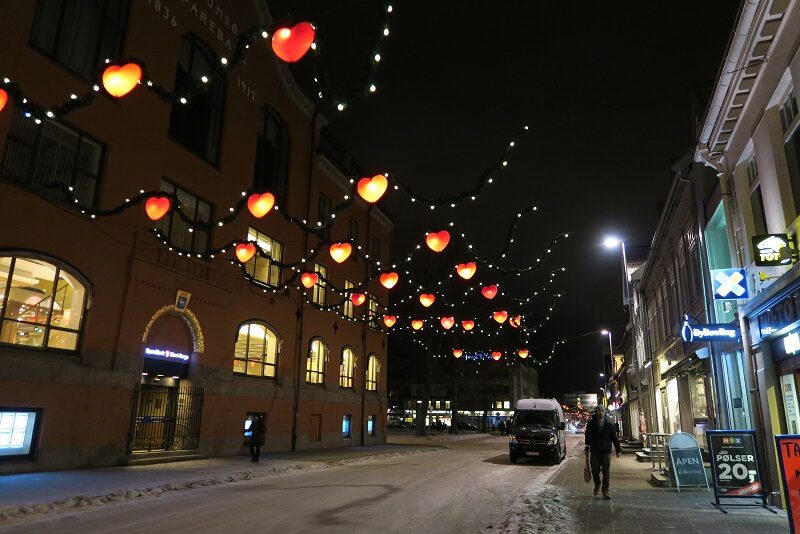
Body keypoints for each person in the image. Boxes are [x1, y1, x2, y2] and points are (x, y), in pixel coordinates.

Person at [584, 405, 621, 499]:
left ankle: (605, 491)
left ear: (605, 412)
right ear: (596, 412)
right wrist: (587, 448)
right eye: (599, 411)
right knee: (595, 471)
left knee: (606, 472)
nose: (601, 413)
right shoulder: (591, 424)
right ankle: (597, 484)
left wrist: (618, 449)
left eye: (603, 411)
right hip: (595, 451)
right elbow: (588, 436)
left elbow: (614, 437)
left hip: (606, 452)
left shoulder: (609, 424)